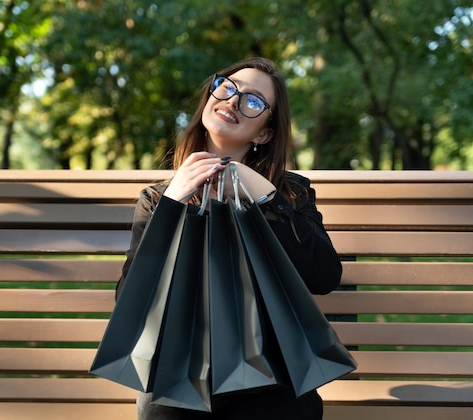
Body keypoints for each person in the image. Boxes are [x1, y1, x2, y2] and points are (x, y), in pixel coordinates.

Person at [116, 57, 343, 420]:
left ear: (264, 133)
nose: (233, 101)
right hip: (180, 374)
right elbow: (130, 301)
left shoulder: (289, 193)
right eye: (228, 87)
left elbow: (324, 276)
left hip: (272, 376)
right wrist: (173, 204)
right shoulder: (160, 198)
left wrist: (267, 197)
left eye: (253, 101)